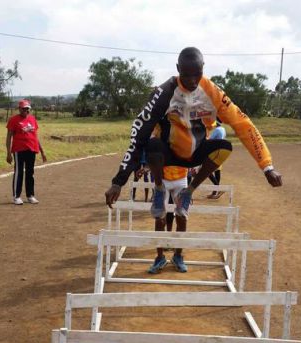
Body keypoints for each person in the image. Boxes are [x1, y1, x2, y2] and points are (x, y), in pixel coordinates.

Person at [105, 46, 282, 219]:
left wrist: (267, 167)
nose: (191, 80)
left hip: (196, 154)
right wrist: (118, 181)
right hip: (168, 154)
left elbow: (244, 125)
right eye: (186, 75)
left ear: (203, 67)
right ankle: (159, 189)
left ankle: (188, 192)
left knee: (225, 146)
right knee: (151, 144)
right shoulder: (164, 93)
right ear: (177, 69)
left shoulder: (213, 92)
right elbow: (138, 136)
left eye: (197, 74)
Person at [148, 165, 189, 274]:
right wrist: (149, 166)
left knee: (182, 217)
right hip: (162, 179)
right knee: (159, 218)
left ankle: (178, 256)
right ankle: (160, 257)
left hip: (181, 179)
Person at [6, 99, 47, 205]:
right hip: (19, 150)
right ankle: (16, 196)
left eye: (27, 109)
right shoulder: (13, 120)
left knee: (30, 173)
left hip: (32, 149)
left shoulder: (32, 119)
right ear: (19, 109)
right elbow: (9, 136)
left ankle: (30, 195)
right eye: (24, 109)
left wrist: (42, 152)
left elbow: (35, 136)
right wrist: (8, 153)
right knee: (19, 172)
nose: (26, 111)